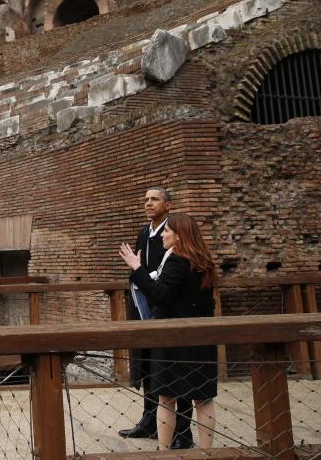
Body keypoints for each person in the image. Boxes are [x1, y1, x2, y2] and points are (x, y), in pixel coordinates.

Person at [119, 213, 219, 450]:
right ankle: (208, 452)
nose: (162, 235)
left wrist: (137, 268)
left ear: (179, 235)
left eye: (167, 231)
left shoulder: (176, 259)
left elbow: (160, 295)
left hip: (174, 338)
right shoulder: (203, 260)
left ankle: (165, 453)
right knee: (203, 398)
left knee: (166, 398)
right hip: (202, 337)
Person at [118, 187, 194, 449]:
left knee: (175, 369)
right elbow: (137, 267)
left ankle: (182, 430)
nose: (149, 204)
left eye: (155, 199)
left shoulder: (176, 234)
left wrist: (146, 276)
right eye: (146, 200)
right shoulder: (143, 232)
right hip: (144, 306)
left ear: (168, 205)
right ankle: (150, 419)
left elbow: (165, 275)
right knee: (148, 365)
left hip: (167, 307)